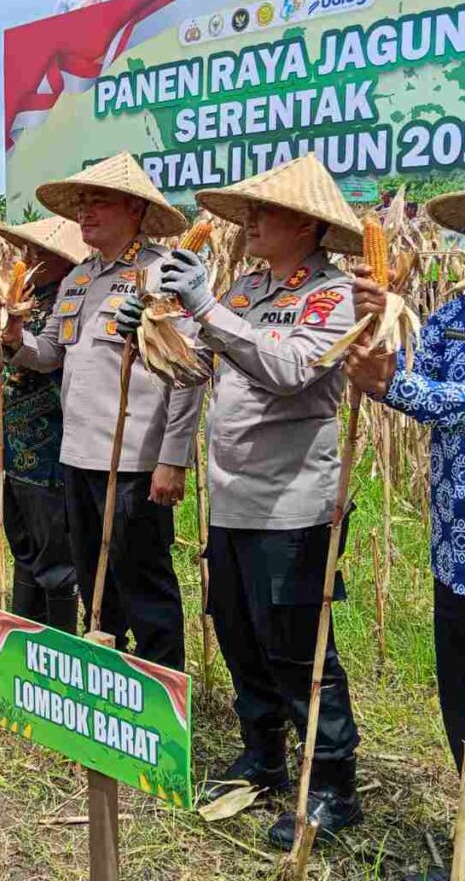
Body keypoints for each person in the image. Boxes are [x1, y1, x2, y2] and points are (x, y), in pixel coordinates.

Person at [158, 154, 364, 848]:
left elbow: (292, 371)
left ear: (306, 225)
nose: (248, 221)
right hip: (232, 497)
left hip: (292, 503)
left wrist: (207, 308)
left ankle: (332, 783)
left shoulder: (332, 298)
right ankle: (264, 754)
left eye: (263, 211)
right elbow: (201, 366)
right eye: (246, 210)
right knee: (239, 628)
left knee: (297, 648)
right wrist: (154, 326)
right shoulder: (245, 288)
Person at [1, 152, 200, 671]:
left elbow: (188, 372)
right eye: (82, 204)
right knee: (96, 584)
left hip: (133, 461)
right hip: (78, 456)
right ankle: (110, 692)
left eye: (99, 203)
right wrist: (15, 339)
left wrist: (172, 457)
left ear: (134, 209)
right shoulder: (78, 280)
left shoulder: (163, 276)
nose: (85, 214)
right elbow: (50, 355)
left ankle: (161, 703)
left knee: (145, 589)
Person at [345, 189, 465, 881]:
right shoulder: (452, 316)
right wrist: (376, 347)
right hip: (453, 555)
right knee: (459, 708)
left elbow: (441, 398)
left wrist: (398, 389)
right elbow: (417, 380)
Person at [0, 216, 90, 638]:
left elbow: (50, 356)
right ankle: (21, 626)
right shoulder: (27, 299)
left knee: (52, 545)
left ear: (65, 262)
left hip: (47, 444)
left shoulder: (67, 301)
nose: (30, 261)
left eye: (41, 255)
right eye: (28, 253)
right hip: (14, 438)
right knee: (20, 535)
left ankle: (55, 640)